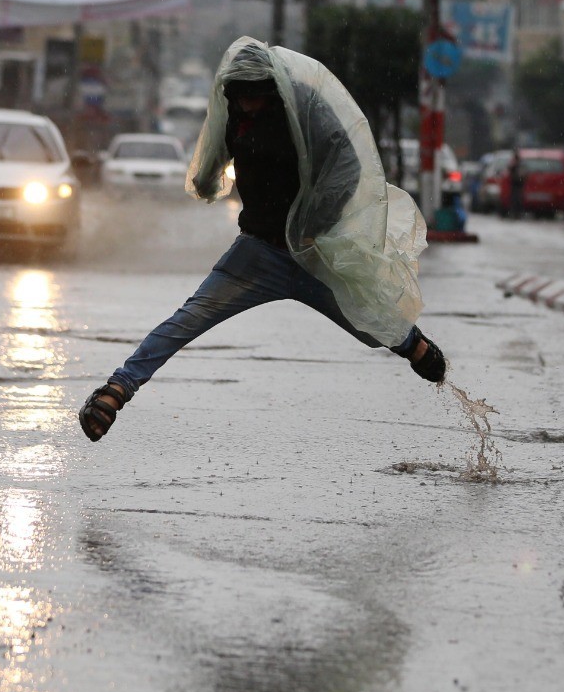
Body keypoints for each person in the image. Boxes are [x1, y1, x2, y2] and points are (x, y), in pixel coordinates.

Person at [79, 38, 446, 442]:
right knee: (187, 320)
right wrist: (206, 179)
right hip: (256, 252)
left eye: (256, 93)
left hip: (312, 253)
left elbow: (348, 167)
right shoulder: (234, 117)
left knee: (370, 325)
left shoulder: (304, 109)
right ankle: (116, 391)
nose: (249, 102)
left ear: (272, 88)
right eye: (241, 95)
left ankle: (414, 345)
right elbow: (210, 166)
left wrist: (313, 224)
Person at [507, 150, 524, 219]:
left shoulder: (519, 165)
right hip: (516, 185)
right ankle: (515, 213)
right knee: (515, 199)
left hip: (517, 185)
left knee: (516, 199)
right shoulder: (515, 165)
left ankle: (516, 213)